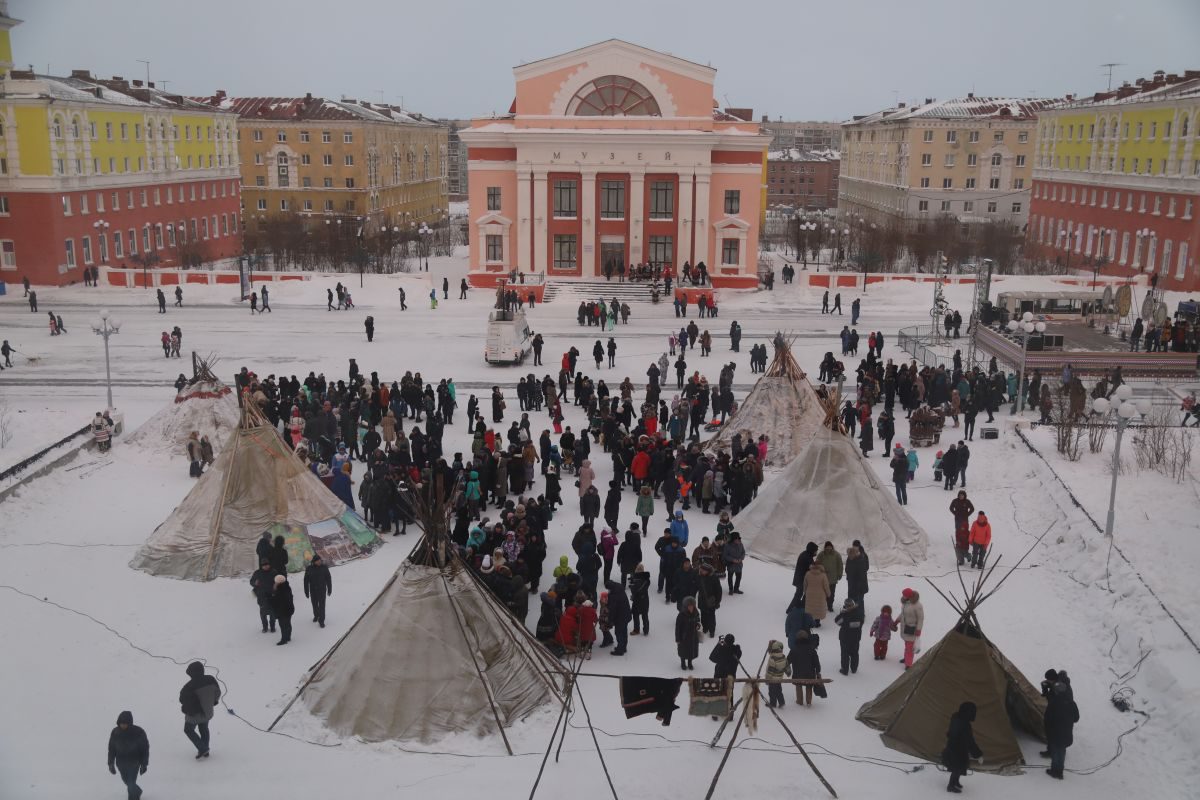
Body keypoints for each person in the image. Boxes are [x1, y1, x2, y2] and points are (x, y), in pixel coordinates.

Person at [179, 661, 220, 758]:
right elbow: (217, 693)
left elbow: (181, 700)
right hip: (208, 712)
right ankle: (205, 749)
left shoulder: (188, 686)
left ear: (191, 673)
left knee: (188, 730)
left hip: (194, 715)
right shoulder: (211, 679)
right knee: (204, 729)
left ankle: (203, 749)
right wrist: (213, 702)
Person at [942, 701, 983, 793]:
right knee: (957, 768)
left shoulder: (956, 717)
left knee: (959, 767)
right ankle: (951, 786)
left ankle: (956, 782)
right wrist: (978, 754)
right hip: (957, 750)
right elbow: (970, 741)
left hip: (954, 747)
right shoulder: (964, 724)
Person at [1042, 676, 1079, 779]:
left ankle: (1055, 771)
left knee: (1055, 752)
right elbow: (1076, 718)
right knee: (1062, 751)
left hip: (1055, 733)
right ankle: (1059, 771)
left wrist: (1048, 730)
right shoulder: (1072, 703)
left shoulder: (1054, 703)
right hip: (1066, 733)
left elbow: (1047, 718)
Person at [107, 710, 149, 800]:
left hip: (134, 763)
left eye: (125, 723)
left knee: (131, 783)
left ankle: (133, 797)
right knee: (127, 782)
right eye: (121, 723)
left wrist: (144, 764)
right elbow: (111, 749)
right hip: (121, 764)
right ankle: (137, 791)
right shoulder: (115, 732)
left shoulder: (138, 732)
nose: (123, 725)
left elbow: (145, 749)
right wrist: (111, 763)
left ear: (130, 723)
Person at [787, 629, 821, 707]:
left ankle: (799, 701)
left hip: (797, 673)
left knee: (798, 685)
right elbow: (816, 661)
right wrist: (818, 670)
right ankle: (808, 702)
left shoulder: (794, 649)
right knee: (809, 686)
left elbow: (788, 661)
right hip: (810, 673)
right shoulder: (812, 649)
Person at [834, 598, 864, 675]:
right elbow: (861, 622)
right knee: (855, 653)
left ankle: (845, 670)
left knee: (845, 654)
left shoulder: (844, 615)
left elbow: (837, 621)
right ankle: (854, 669)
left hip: (845, 638)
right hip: (856, 637)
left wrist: (842, 613)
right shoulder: (859, 614)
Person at [303, 554, 332, 628]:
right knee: (315, 605)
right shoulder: (309, 568)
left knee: (322, 606)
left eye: (320, 560)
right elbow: (306, 581)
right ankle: (316, 615)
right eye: (318, 561)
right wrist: (306, 591)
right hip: (313, 590)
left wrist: (329, 588)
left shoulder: (324, 567)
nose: (319, 562)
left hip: (322, 590)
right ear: (314, 561)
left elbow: (328, 578)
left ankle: (321, 620)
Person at [897, 588, 923, 669]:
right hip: (905, 628)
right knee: (907, 645)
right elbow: (903, 614)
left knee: (910, 647)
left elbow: (920, 619)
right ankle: (906, 658)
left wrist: (918, 630)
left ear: (908, 596)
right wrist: (896, 621)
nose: (903, 596)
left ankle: (908, 664)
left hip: (912, 629)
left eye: (904, 595)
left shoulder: (917, 606)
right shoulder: (905, 603)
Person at [675, 596, 701, 670]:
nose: (691, 608)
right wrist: (678, 638)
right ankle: (683, 663)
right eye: (689, 606)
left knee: (691, 650)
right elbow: (678, 628)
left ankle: (690, 663)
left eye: (692, 606)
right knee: (683, 650)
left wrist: (698, 626)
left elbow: (698, 622)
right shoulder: (681, 615)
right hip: (684, 637)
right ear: (686, 606)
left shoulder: (696, 613)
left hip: (693, 636)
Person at [765, 639, 789, 708]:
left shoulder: (773, 658)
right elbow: (787, 667)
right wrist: (788, 673)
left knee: (772, 692)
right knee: (779, 690)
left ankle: (773, 704)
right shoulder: (783, 656)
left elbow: (770, 671)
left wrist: (767, 679)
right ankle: (781, 702)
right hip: (779, 678)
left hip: (772, 679)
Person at [272, 574, 295, 645]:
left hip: (282, 610)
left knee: (283, 625)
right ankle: (288, 636)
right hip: (289, 609)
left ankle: (284, 639)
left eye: (276, 581)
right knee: (288, 624)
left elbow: (278, 599)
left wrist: (274, 591)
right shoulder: (287, 587)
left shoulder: (280, 589)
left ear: (278, 582)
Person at [630, 563, 651, 635]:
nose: (639, 571)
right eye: (638, 569)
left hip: (641, 599)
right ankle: (642, 630)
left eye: (640, 569)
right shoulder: (644, 579)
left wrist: (633, 586)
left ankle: (642, 630)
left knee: (642, 615)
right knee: (639, 615)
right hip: (641, 600)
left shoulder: (644, 580)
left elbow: (637, 590)